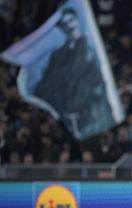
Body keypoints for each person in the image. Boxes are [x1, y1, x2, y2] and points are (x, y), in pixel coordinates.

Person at [33, 7, 114, 139]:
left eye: (71, 20)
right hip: (65, 113)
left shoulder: (90, 45)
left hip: (86, 108)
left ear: (77, 21)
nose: (68, 25)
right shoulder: (57, 53)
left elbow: (92, 75)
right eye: (64, 23)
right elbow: (47, 82)